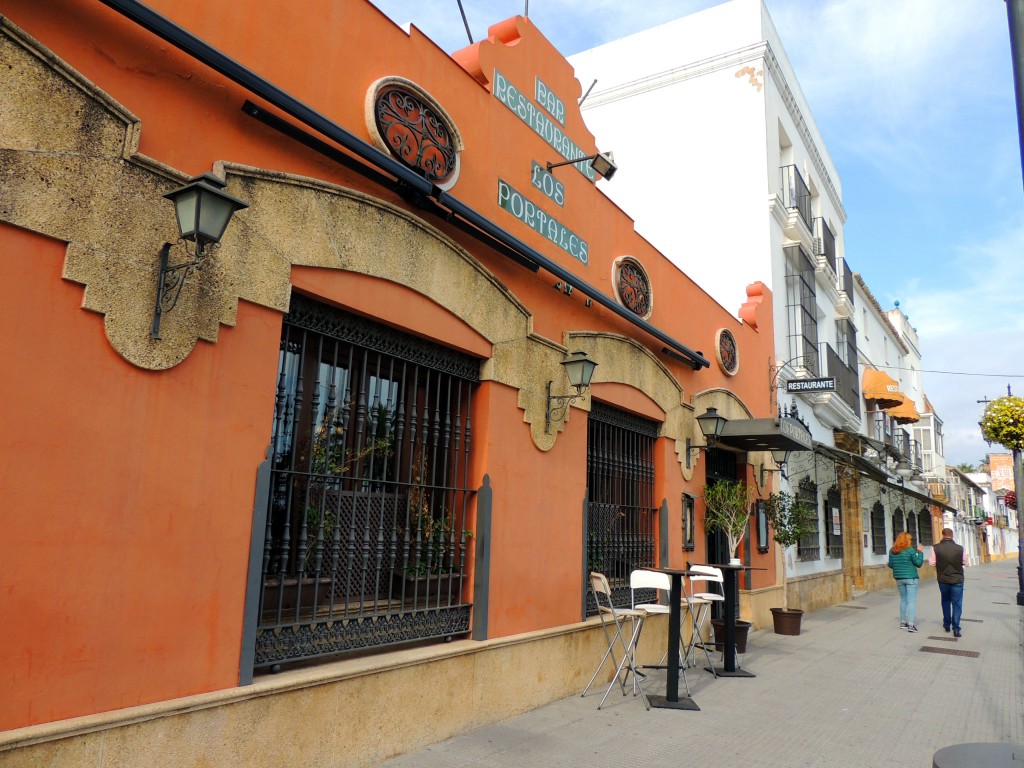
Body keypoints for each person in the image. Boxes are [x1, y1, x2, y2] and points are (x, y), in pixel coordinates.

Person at [887, 531, 924, 632]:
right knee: (911, 601)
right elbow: (918, 563)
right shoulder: (910, 550)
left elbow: (890, 565)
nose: (911, 541)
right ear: (906, 540)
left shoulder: (892, 550)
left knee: (903, 600)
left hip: (899, 578)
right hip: (911, 578)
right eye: (910, 539)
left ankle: (903, 622)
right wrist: (920, 552)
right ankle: (911, 625)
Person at [932, 528, 965, 637]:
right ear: (952, 535)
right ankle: (956, 629)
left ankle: (947, 624)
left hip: (943, 579)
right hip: (957, 579)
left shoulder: (935, 548)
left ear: (942, 535)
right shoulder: (960, 548)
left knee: (945, 601)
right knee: (957, 604)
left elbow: (932, 563)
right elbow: (965, 562)